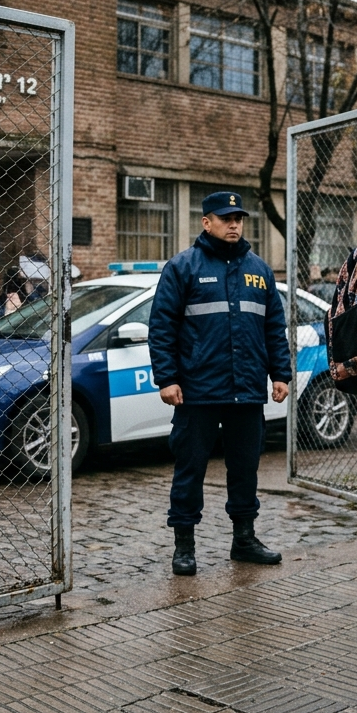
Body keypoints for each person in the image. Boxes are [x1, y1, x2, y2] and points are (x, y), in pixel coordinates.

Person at [148, 191, 291, 578]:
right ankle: (184, 546)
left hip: (246, 389)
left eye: (238, 218)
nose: (233, 224)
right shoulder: (182, 267)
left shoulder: (258, 270)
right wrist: (168, 378)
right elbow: (161, 327)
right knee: (190, 467)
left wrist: (281, 373)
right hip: (197, 390)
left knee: (245, 468)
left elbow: (274, 327)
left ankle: (244, 540)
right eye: (225, 218)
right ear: (206, 222)